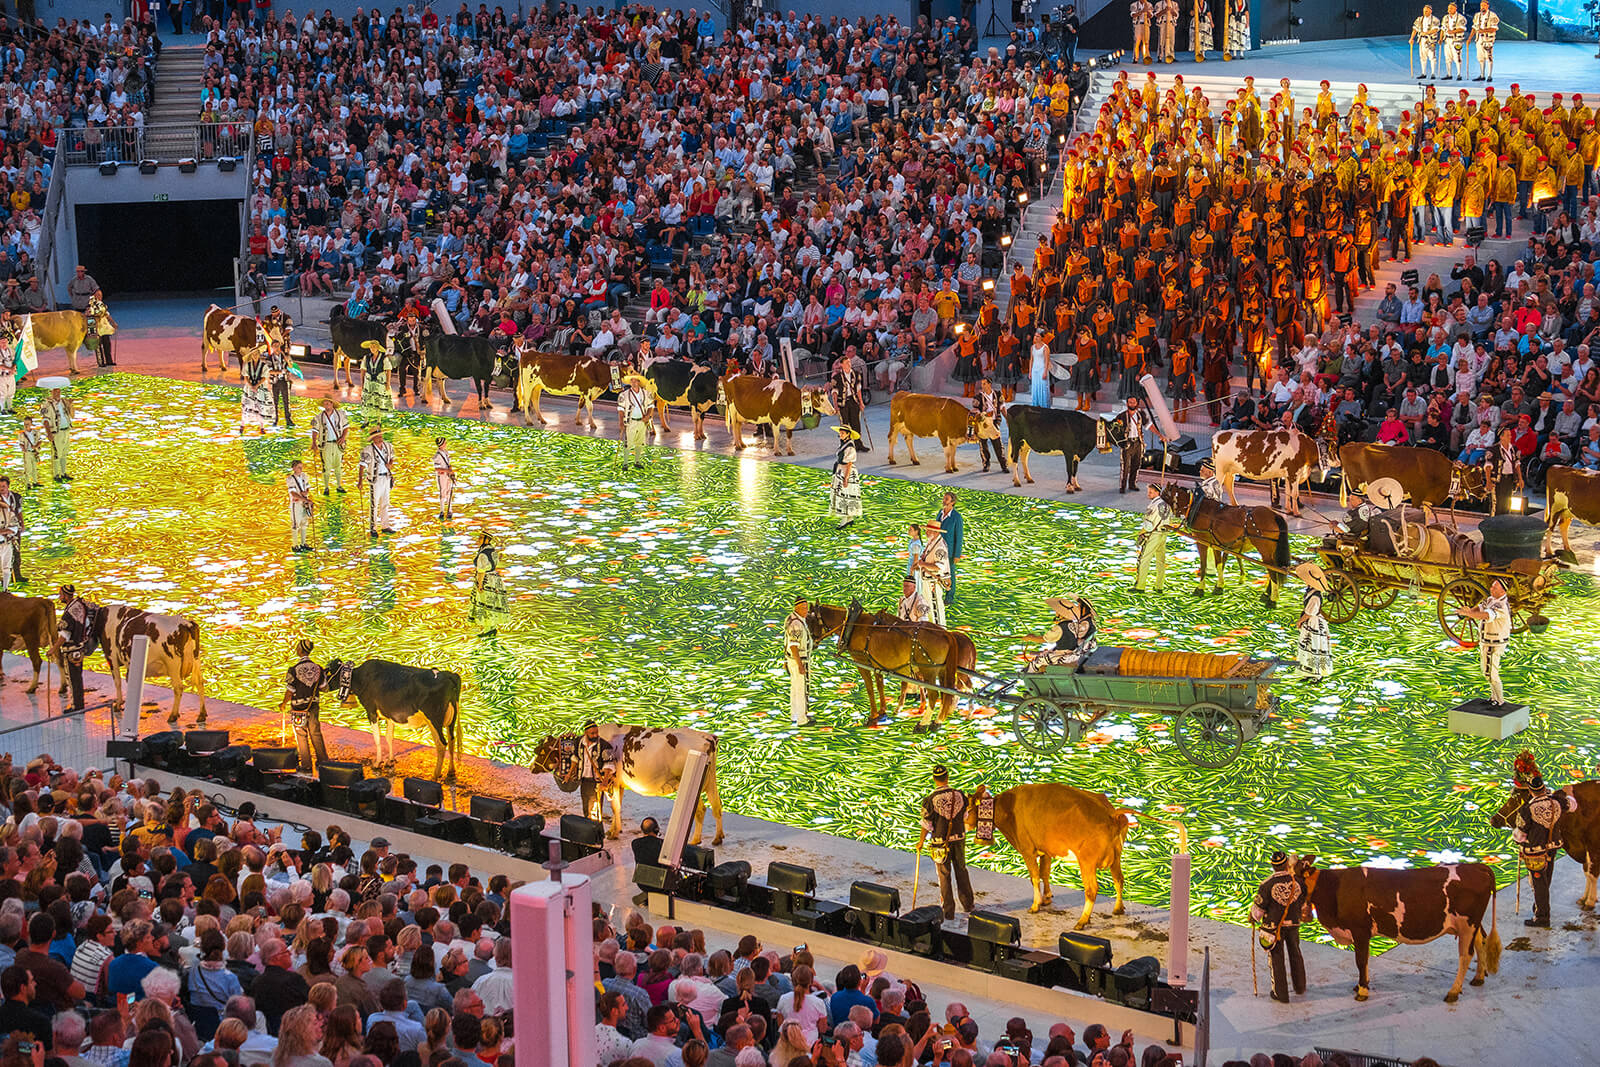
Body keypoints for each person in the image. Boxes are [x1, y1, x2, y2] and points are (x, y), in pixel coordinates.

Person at [1490, 752, 1576, 928]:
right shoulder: (1557, 802)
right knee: (1546, 879)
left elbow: (1520, 834)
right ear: (1544, 789)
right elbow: (1572, 804)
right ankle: (1539, 908)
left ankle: (1542, 916)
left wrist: (1519, 842)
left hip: (1535, 852)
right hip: (1553, 847)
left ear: (1530, 791)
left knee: (1539, 883)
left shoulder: (1527, 810)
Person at [1249, 851, 1307, 1004]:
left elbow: (1259, 910)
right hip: (1293, 925)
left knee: (1276, 958)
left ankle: (1280, 994)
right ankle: (1300, 987)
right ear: (1287, 863)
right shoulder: (1298, 882)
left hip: (1274, 928)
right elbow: (1302, 902)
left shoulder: (1267, 885)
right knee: (1295, 953)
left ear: (1273, 866)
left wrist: (1252, 917)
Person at [917, 765, 974, 919]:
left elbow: (926, 824)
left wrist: (921, 841)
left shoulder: (930, 800)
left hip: (940, 843)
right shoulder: (960, 795)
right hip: (959, 840)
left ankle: (948, 911)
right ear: (947, 777)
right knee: (961, 870)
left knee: (944, 875)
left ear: (935, 779)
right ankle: (968, 904)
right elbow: (965, 817)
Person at [1459, 577, 1512, 704]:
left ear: (1502, 591)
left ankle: (1500, 701)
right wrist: (1471, 610)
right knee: (1487, 672)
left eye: (1495, 587)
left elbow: (1486, 615)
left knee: (1492, 673)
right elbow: (1481, 608)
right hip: (1487, 641)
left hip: (1494, 643)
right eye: (1492, 586)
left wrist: (1469, 614)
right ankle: (1494, 698)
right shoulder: (1491, 600)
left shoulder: (1501, 606)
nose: (1491, 589)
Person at [278, 639, 328, 773]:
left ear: (299, 651)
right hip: (313, 706)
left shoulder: (293, 670)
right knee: (316, 733)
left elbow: (290, 690)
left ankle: (306, 765)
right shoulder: (318, 668)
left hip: (298, 708)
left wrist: (283, 703)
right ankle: (323, 763)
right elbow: (324, 688)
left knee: (301, 735)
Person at [57, 584, 98, 712]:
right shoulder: (80, 605)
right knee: (77, 678)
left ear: (65, 595)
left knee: (73, 678)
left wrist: (53, 649)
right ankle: (79, 703)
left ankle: (76, 705)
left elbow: (65, 635)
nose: (59, 597)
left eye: (60, 594)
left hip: (71, 649)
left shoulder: (69, 613)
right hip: (80, 647)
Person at [1028, 595, 1097, 671]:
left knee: (1037, 661)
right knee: (1053, 650)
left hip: (1079, 651)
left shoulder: (1085, 623)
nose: (1077, 608)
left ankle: (1031, 673)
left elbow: (1073, 635)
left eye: (1079, 606)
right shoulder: (1079, 622)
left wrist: (1031, 638)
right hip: (1075, 648)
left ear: (1084, 608)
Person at [1292, 562, 1332, 680]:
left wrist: (1300, 621)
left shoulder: (1315, 596)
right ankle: (1308, 671)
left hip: (1314, 623)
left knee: (1315, 646)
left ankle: (1317, 674)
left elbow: (1310, 612)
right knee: (1307, 646)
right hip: (1311, 622)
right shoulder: (1310, 592)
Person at [1133, 484, 1173, 594]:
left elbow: (1148, 524)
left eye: (1151, 492)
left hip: (1154, 534)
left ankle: (1140, 586)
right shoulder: (1167, 505)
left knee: (1144, 559)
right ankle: (1159, 586)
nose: (1148, 494)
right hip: (1163, 534)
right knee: (1161, 561)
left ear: (1157, 493)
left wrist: (1141, 533)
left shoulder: (1153, 505)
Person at [357, 427, 397, 538]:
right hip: (375, 479)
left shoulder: (388, 446)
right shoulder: (367, 450)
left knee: (385, 503)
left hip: (386, 478)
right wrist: (360, 480)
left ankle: (385, 526)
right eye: (377, 437)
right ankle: (373, 528)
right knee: (374, 504)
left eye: (380, 436)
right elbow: (362, 466)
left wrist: (390, 463)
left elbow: (392, 458)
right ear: (373, 439)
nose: (380, 438)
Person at [469, 531, 508, 637]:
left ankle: (487, 629)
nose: (478, 540)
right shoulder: (492, 551)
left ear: (486, 540)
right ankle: (492, 627)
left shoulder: (482, 554)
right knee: (492, 604)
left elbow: (481, 571)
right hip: (495, 579)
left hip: (486, 580)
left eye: (481, 538)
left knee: (485, 604)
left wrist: (480, 584)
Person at [915, 517, 951, 627]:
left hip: (933, 581)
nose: (925, 532)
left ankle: (940, 629)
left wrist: (923, 564)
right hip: (928, 580)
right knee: (929, 605)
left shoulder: (940, 546)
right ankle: (932, 628)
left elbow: (939, 566)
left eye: (928, 530)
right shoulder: (932, 542)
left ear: (934, 532)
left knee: (936, 606)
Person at [575, 721, 613, 823]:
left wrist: (604, 782)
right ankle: (587, 830)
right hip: (584, 781)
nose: (595, 735)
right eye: (592, 733)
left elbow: (609, 765)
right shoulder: (579, 742)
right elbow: (575, 758)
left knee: (595, 810)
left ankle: (595, 833)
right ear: (585, 733)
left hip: (596, 783)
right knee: (586, 807)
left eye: (596, 732)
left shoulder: (605, 745)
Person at [784, 597, 813, 728]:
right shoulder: (797, 624)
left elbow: (786, 641)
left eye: (806, 607)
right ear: (796, 608)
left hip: (791, 659)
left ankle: (795, 714)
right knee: (801, 689)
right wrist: (800, 664)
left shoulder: (791, 619)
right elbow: (793, 645)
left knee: (795, 688)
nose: (805, 610)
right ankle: (802, 719)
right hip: (799, 659)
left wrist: (786, 659)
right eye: (802, 608)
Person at [310, 399, 348, 495]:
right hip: (325, 444)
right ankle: (326, 487)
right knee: (326, 466)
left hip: (338, 444)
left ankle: (339, 486)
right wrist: (314, 442)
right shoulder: (319, 417)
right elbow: (315, 430)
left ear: (332, 404)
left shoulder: (340, 414)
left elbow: (346, 427)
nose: (326, 405)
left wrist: (343, 437)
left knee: (338, 465)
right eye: (324, 404)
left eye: (328, 403)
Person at [933, 492, 964, 606]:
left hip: (950, 551)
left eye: (946, 499)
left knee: (950, 573)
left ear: (952, 502)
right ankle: (939, 592)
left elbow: (959, 536)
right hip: (938, 549)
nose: (943, 501)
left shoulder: (956, 517)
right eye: (944, 498)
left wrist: (957, 554)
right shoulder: (940, 513)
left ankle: (950, 597)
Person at [829, 425, 862, 530]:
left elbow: (849, 463)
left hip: (845, 471)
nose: (840, 435)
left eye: (843, 433)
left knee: (844, 495)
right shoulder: (844, 444)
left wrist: (846, 478)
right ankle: (849, 518)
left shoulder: (850, 446)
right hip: (840, 470)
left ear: (848, 434)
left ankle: (844, 520)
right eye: (840, 433)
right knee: (844, 494)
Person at [357, 336, 395, 422]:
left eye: (374, 347)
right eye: (371, 347)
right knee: (367, 399)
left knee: (379, 400)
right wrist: (362, 382)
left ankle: (379, 420)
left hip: (380, 381)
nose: (372, 348)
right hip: (369, 380)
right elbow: (363, 370)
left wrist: (388, 383)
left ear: (377, 348)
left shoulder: (383, 358)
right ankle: (366, 420)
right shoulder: (366, 357)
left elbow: (388, 370)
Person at [973, 378, 1007, 473]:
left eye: (984, 384)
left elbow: (1002, 407)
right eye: (982, 384)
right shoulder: (979, 397)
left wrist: (1007, 419)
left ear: (989, 384)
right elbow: (975, 409)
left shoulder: (998, 394)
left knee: (998, 444)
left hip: (994, 422)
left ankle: (1003, 465)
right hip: (983, 423)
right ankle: (986, 464)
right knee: (983, 445)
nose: (982, 386)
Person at [618, 375, 652, 468]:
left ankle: (637, 461)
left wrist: (648, 416)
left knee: (640, 442)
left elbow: (651, 406)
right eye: (631, 381)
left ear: (639, 382)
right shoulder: (624, 394)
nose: (633, 383)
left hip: (642, 422)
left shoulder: (646, 394)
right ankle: (625, 463)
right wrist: (621, 422)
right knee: (628, 442)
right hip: (630, 422)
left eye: (635, 381)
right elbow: (620, 409)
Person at [1116, 394, 1146, 493]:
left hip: (1138, 442)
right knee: (1125, 466)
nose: (1132, 404)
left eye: (1134, 402)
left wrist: (1159, 434)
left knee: (1136, 464)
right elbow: (1114, 428)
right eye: (1130, 402)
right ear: (1127, 403)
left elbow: (1148, 425)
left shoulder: (1140, 415)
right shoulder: (1121, 416)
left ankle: (1132, 484)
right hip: (1127, 442)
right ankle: (1123, 486)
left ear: (1137, 403)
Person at [41, 388, 72, 481]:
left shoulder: (63, 402)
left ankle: (63, 472)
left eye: (58, 391)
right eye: (55, 391)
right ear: (51, 392)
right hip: (56, 432)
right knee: (56, 454)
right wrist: (48, 433)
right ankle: (56, 474)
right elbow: (45, 420)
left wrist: (70, 405)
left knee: (64, 453)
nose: (57, 393)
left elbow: (70, 414)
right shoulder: (46, 405)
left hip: (66, 430)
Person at [240, 350, 271, 435]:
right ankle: (242, 425)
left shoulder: (264, 366)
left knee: (260, 407)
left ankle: (261, 427)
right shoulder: (247, 365)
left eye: (256, 354)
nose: (255, 356)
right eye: (253, 354)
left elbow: (264, 377)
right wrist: (251, 385)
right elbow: (246, 376)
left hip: (260, 388)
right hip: (249, 388)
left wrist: (256, 386)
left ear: (259, 355)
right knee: (246, 407)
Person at [287, 460, 314, 554]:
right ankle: (295, 545)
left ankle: (303, 543)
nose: (301, 469)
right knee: (296, 523)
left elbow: (307, 486)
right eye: (299, 467)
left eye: (301, 467)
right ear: (294, 468)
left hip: (304, 503)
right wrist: (305, 499)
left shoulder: (304, 476)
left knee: (304, 523)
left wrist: (306, 492)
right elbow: (293, 493)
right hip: (296, 504)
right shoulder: (290, 479)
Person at [1469, 0, 1499, 80]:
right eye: (1481, 5)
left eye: (1484, 5)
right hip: (1479, 39)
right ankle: (1482, 75)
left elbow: (1494, 28)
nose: (1482, 7)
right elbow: (1474, 27)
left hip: (1488, 39)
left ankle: (1489, 75)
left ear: (1487, 6)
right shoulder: (1477, 15)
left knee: (1488, 57)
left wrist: (1484, 30)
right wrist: (1469, 38)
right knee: (1480, 57)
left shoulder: (1492, 16)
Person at [0, 478, 21, 586]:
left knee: (8, 564)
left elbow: (18, 514)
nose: (1, 489)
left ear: (8, 486)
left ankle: (7, 586)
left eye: (3, 486)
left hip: (9, 538)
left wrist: (20, 525)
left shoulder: (15, 497)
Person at [1411, 5, 1440, 79]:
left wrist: (1425, 33)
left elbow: (1435, 30)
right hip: (1422, 40)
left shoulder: (1435, 20)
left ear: (1430, 11)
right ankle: (1423, 73)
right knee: (1422, 57)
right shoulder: (1419, 19)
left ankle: (1433, 73)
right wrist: (1411, 38)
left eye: (1426, 11)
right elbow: (1415, 29)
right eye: (1424, 11)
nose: (1425, 12)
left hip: (1430, 41)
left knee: (1432, 57)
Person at [1028, 329, 1052, 409]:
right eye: (1035, 336)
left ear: (1042, 337)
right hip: (1035, 370)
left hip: (1042, 370)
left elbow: (1046, 361)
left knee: (1043, 388)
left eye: (1038, 336)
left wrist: (1045, 372)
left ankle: (1044, 406)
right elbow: (1031, 359)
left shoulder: (1045, 348)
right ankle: (1035, 405)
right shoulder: (1032, 347)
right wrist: (1030, 371)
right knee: (1035, 387)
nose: (1036, 337)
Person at [432, 438, 455, 521]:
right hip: (442, 476)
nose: (446, 444)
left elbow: (448, 463)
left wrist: (450, 470)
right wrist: (447, 470)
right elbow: (437, 468)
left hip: (447, 475)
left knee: (449, 491)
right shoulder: (437, 456)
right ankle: (442, 510)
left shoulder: (446, 453)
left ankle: (449, 510)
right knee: (443, 492)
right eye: (444, 443)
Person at [17, 417, 41, 490]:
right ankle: (27, 483)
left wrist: (36, 446)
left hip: (34, 452)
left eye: (28, 424)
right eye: (25, 424)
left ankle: (35, 481)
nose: (26, 426)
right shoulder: (22, 434)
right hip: (27, 452)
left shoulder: (36, 432)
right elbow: (21, 443)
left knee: (34, 467)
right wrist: (24, 449)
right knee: (28, 468)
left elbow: (40, 441)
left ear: (31, 424)